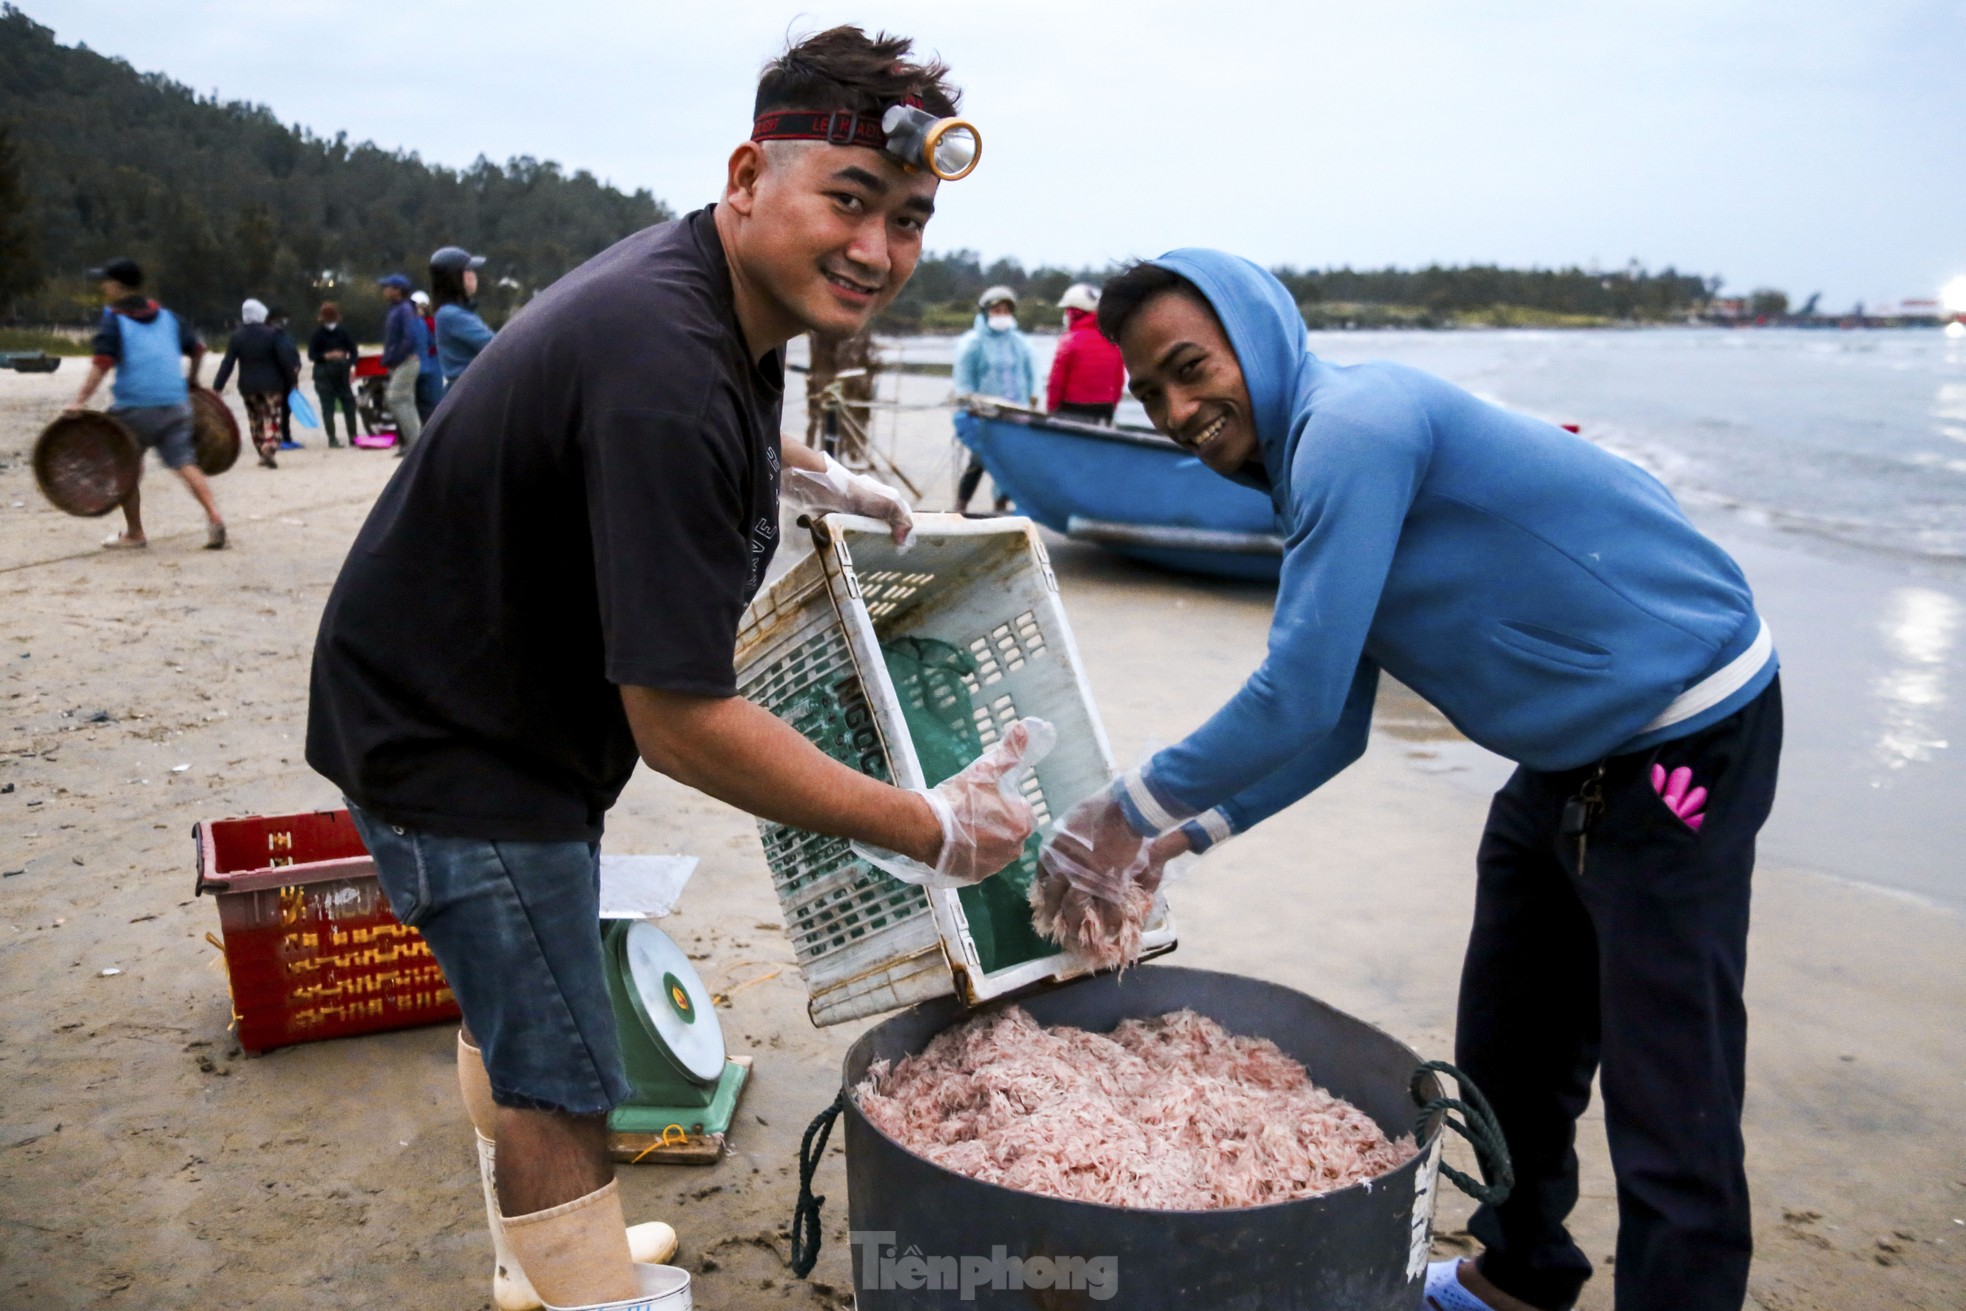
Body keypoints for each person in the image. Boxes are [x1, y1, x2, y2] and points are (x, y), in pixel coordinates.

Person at [307, 28, 1041, 1311]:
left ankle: (526, 1261)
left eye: (911, 220)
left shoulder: (713, 290)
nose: (880, 251)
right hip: (462, 740)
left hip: (448, 685)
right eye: (851, 202)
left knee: (513, 999)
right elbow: (685, 726)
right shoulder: (666, 368)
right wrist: (926, 826)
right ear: (749, 175)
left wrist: (810, 469)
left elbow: (696, 413)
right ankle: (584, 1285)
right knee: (564, 1076)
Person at [1035, 252, 1782, 1311]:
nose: (1177, 408)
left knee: (1672, 1082)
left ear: (1259, 336)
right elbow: (1335, 724)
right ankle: (1521, 1273)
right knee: (1509, 1044)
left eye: (1191, 367)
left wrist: (1121, 812)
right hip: (1565, 755)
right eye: (1150, 391)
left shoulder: (1352, 427)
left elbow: (1292, 694)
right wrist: (1174, 842)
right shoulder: (1304, 474)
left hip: (1684, 733)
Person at [64, 257, 227, 550]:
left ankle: (135, 533)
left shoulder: (114, 318)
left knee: (124, 466)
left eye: (106, 281)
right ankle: (214, 517)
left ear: (117, 285)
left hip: (134, 409)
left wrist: (79, 401)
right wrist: (191, 381)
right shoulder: (168, 316)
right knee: (184, 462)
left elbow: (101, 364)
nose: (104, 286)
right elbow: (198, 350)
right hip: (176, 404)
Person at [952, 285, 1036, 511]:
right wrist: (969, 404)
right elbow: (964, 380)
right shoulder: (973, 343)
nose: (1002, 315)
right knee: (979, 460)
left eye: (1006, 311)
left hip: (1014, 413)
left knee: (1010, 463)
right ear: (985, 312)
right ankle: (960, 507)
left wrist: (1030, 402)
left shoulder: (1019, 343)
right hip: (982, 413)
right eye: (996, 310)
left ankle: (1000, 505)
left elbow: (1029, 376)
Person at [213, 298, 299, 469]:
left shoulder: (237, 336)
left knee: (255, 419)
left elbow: (227, 363)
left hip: (247, 386)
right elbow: (284, 360)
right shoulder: (273, 333)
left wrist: (218, 386)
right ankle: (269, 447)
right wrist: (292, 380)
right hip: (272, 385)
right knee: (272, 416)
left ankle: (261, 448)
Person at [1046, 283, 1124, 424]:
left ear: (1075, 312)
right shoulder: (1113, 341)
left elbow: (1056, 383)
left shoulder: (1068, 341)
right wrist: (1112, 408)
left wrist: (1051, 410)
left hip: (1071, 410)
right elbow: (1118, 383)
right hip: (1105, 411)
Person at [375, 274, 428, 452]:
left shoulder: (404, 309)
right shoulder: (396, 309)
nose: (385, 290)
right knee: (407, 402)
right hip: (400, 361)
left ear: (398, 290)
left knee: (395, 398)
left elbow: (409, 338)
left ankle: (416, 446)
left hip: (406, 361)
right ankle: (414, 444)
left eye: (388, 287)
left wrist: (395, 357)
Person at [429, 245, 495, 384]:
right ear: (454, 277)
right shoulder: (451, 315)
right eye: (468, 270)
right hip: (471, 392)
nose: (474, 275)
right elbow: (494, 345)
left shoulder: (460, 311)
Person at [308, 302, 359, 448]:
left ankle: (351, 436)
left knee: (347, 404)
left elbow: (353, 352)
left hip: (339, 372)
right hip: (325, 373)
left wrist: (350, 365)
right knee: (329, 406)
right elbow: (312, 355)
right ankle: (333, 438)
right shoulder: (318, 334)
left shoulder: (343, 332)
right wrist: (328, 356)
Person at [267, 306, 304, 450]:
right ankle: (276, 439)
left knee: (286, 410)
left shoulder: (286, 336)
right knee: (275, 410)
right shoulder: (268, 336)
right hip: (274, 378)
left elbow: (294, 354)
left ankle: (286, 437)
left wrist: (297, 366)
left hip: (289, 376)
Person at [411, 289, 444, 421]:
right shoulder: (430, 321)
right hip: (430, 363)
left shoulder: (428, 322)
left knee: (430, 401)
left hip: (430, 363)